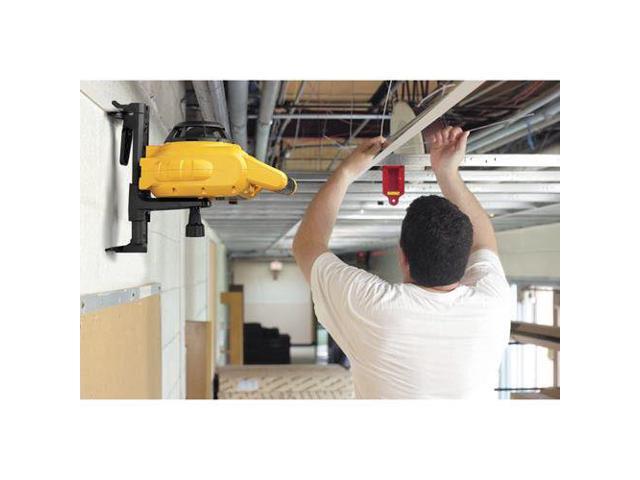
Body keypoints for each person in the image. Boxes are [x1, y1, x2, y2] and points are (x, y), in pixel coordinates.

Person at [292, 126, 512, 399]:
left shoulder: (375, 307)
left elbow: (307, 245)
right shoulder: (493, 304)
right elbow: (484, 243)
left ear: (402, 256)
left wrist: (348, 172)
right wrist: (447, 173)